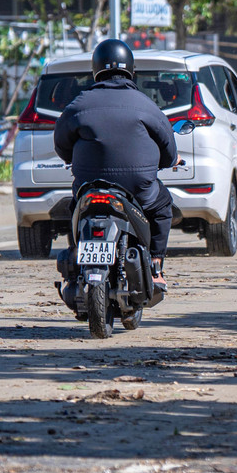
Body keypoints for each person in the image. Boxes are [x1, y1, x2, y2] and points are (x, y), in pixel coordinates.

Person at [53, 39, 177, 289]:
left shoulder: (78, 104)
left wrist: (71, 158)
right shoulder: (146, 104)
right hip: (138, 188)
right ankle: (155, 266)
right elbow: (169, 150)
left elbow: (61, 144)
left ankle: (77, 260)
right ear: (131, 71)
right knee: (163, 208)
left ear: (95, 70)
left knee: (75, 209)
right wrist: (167, 162)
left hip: (89, 185)